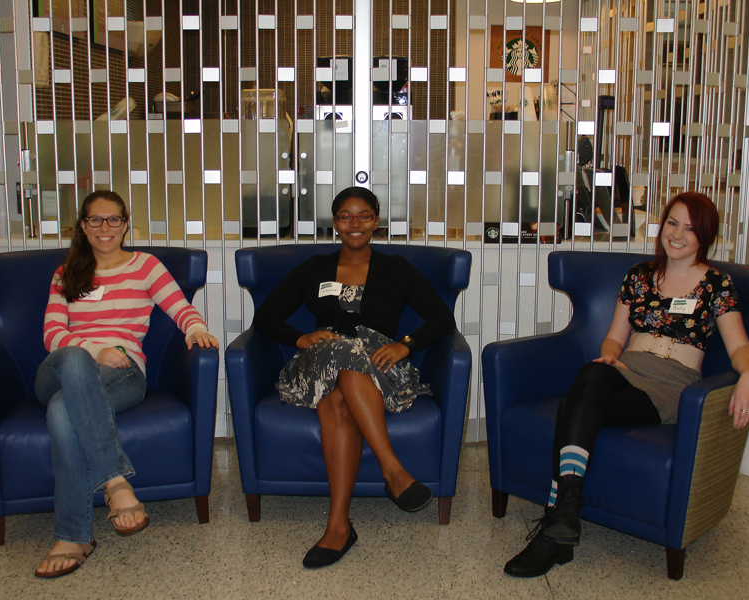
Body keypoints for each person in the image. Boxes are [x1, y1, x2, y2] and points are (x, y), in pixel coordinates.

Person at [504, 191, 749, 578]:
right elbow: (613, 339)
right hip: (625, 368)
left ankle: (558, 525)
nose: (677, 234)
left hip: (671, 384)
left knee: (573, 405)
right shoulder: (639, 276)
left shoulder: (716, 285)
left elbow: (740, 346)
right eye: (672, 223)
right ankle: (564, 519)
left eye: (690, 228)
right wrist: (609, 355)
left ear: (704, 236)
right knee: (591, 376)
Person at [253, 187, 457, 568]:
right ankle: (392, 470)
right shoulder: (313, 269)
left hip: (378, 369)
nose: (355, 223)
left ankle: (338, 527)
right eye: (345, 216)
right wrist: (300, 337)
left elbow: (442, 319)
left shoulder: (397, 269)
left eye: (364, 215)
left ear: (376, 221)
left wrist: (404, 345)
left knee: (339, 399)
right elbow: (265, 317)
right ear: (335, 224)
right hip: (316, 367)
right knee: (342, 348)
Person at [34, 191, 219, 578]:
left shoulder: (145, 266)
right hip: (61, 369)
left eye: (113, 220)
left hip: (124, 374)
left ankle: (74, 536)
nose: (105, 228)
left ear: (125, 224)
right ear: (83, 226)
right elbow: (53, 334)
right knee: (73, 358)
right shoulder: (66, 273)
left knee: (61, 411)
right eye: (96, 220)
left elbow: (179, 306)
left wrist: (197, 329)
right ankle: (115, 481)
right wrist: (94, 349)